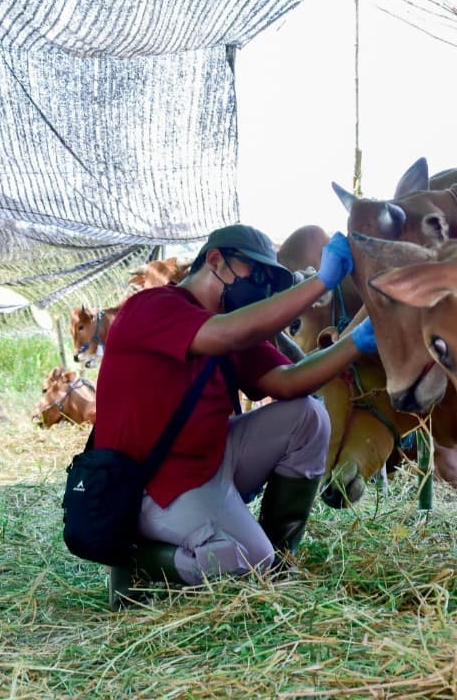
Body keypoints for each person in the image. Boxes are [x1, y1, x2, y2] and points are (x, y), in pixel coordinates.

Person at [94, 224, 376, 608]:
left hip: (210, 461)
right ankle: (138, 565)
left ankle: (279, 564)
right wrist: (320, 283)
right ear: (216, 261)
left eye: (269, 280)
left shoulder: (233, 329)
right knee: (248, 559)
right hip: (153, 486)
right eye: (254, 273)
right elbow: (225, 335)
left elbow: (290, 382)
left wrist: (355, 342)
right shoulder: (153, 307)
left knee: (309, 418)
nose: (261, 287)